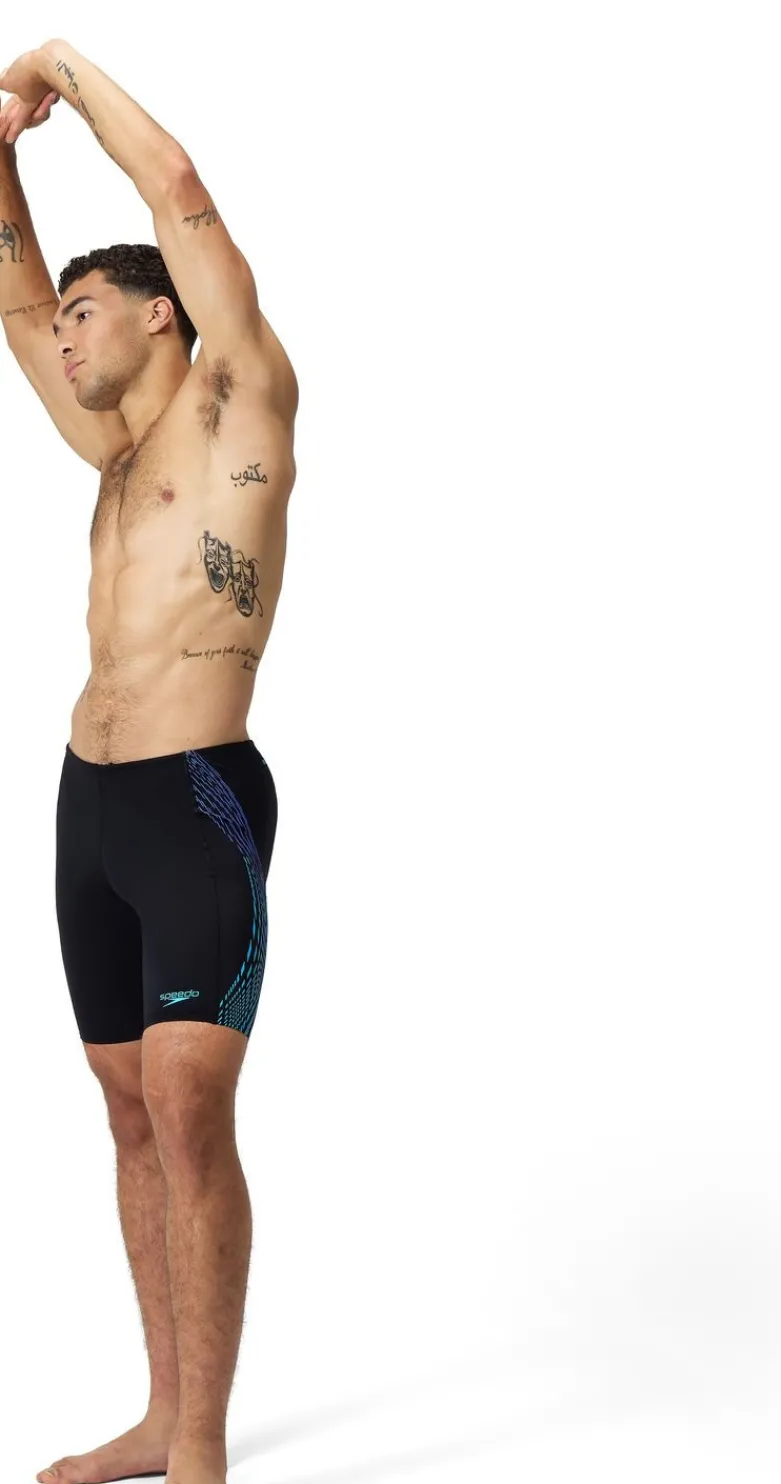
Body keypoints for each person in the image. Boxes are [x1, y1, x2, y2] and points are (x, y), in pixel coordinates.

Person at [0, 38, 299, 1484]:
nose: (60, 339)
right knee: (125, 1107)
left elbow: (174, 183)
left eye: (85, 312)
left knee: (186, 1105)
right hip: (90, 803)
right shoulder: (112, 452)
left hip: (194, 800)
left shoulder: (243, 396)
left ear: (163, 311)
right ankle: (158, 1411)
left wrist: (60, 69)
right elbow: (8, 300)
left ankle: (203, 1447)